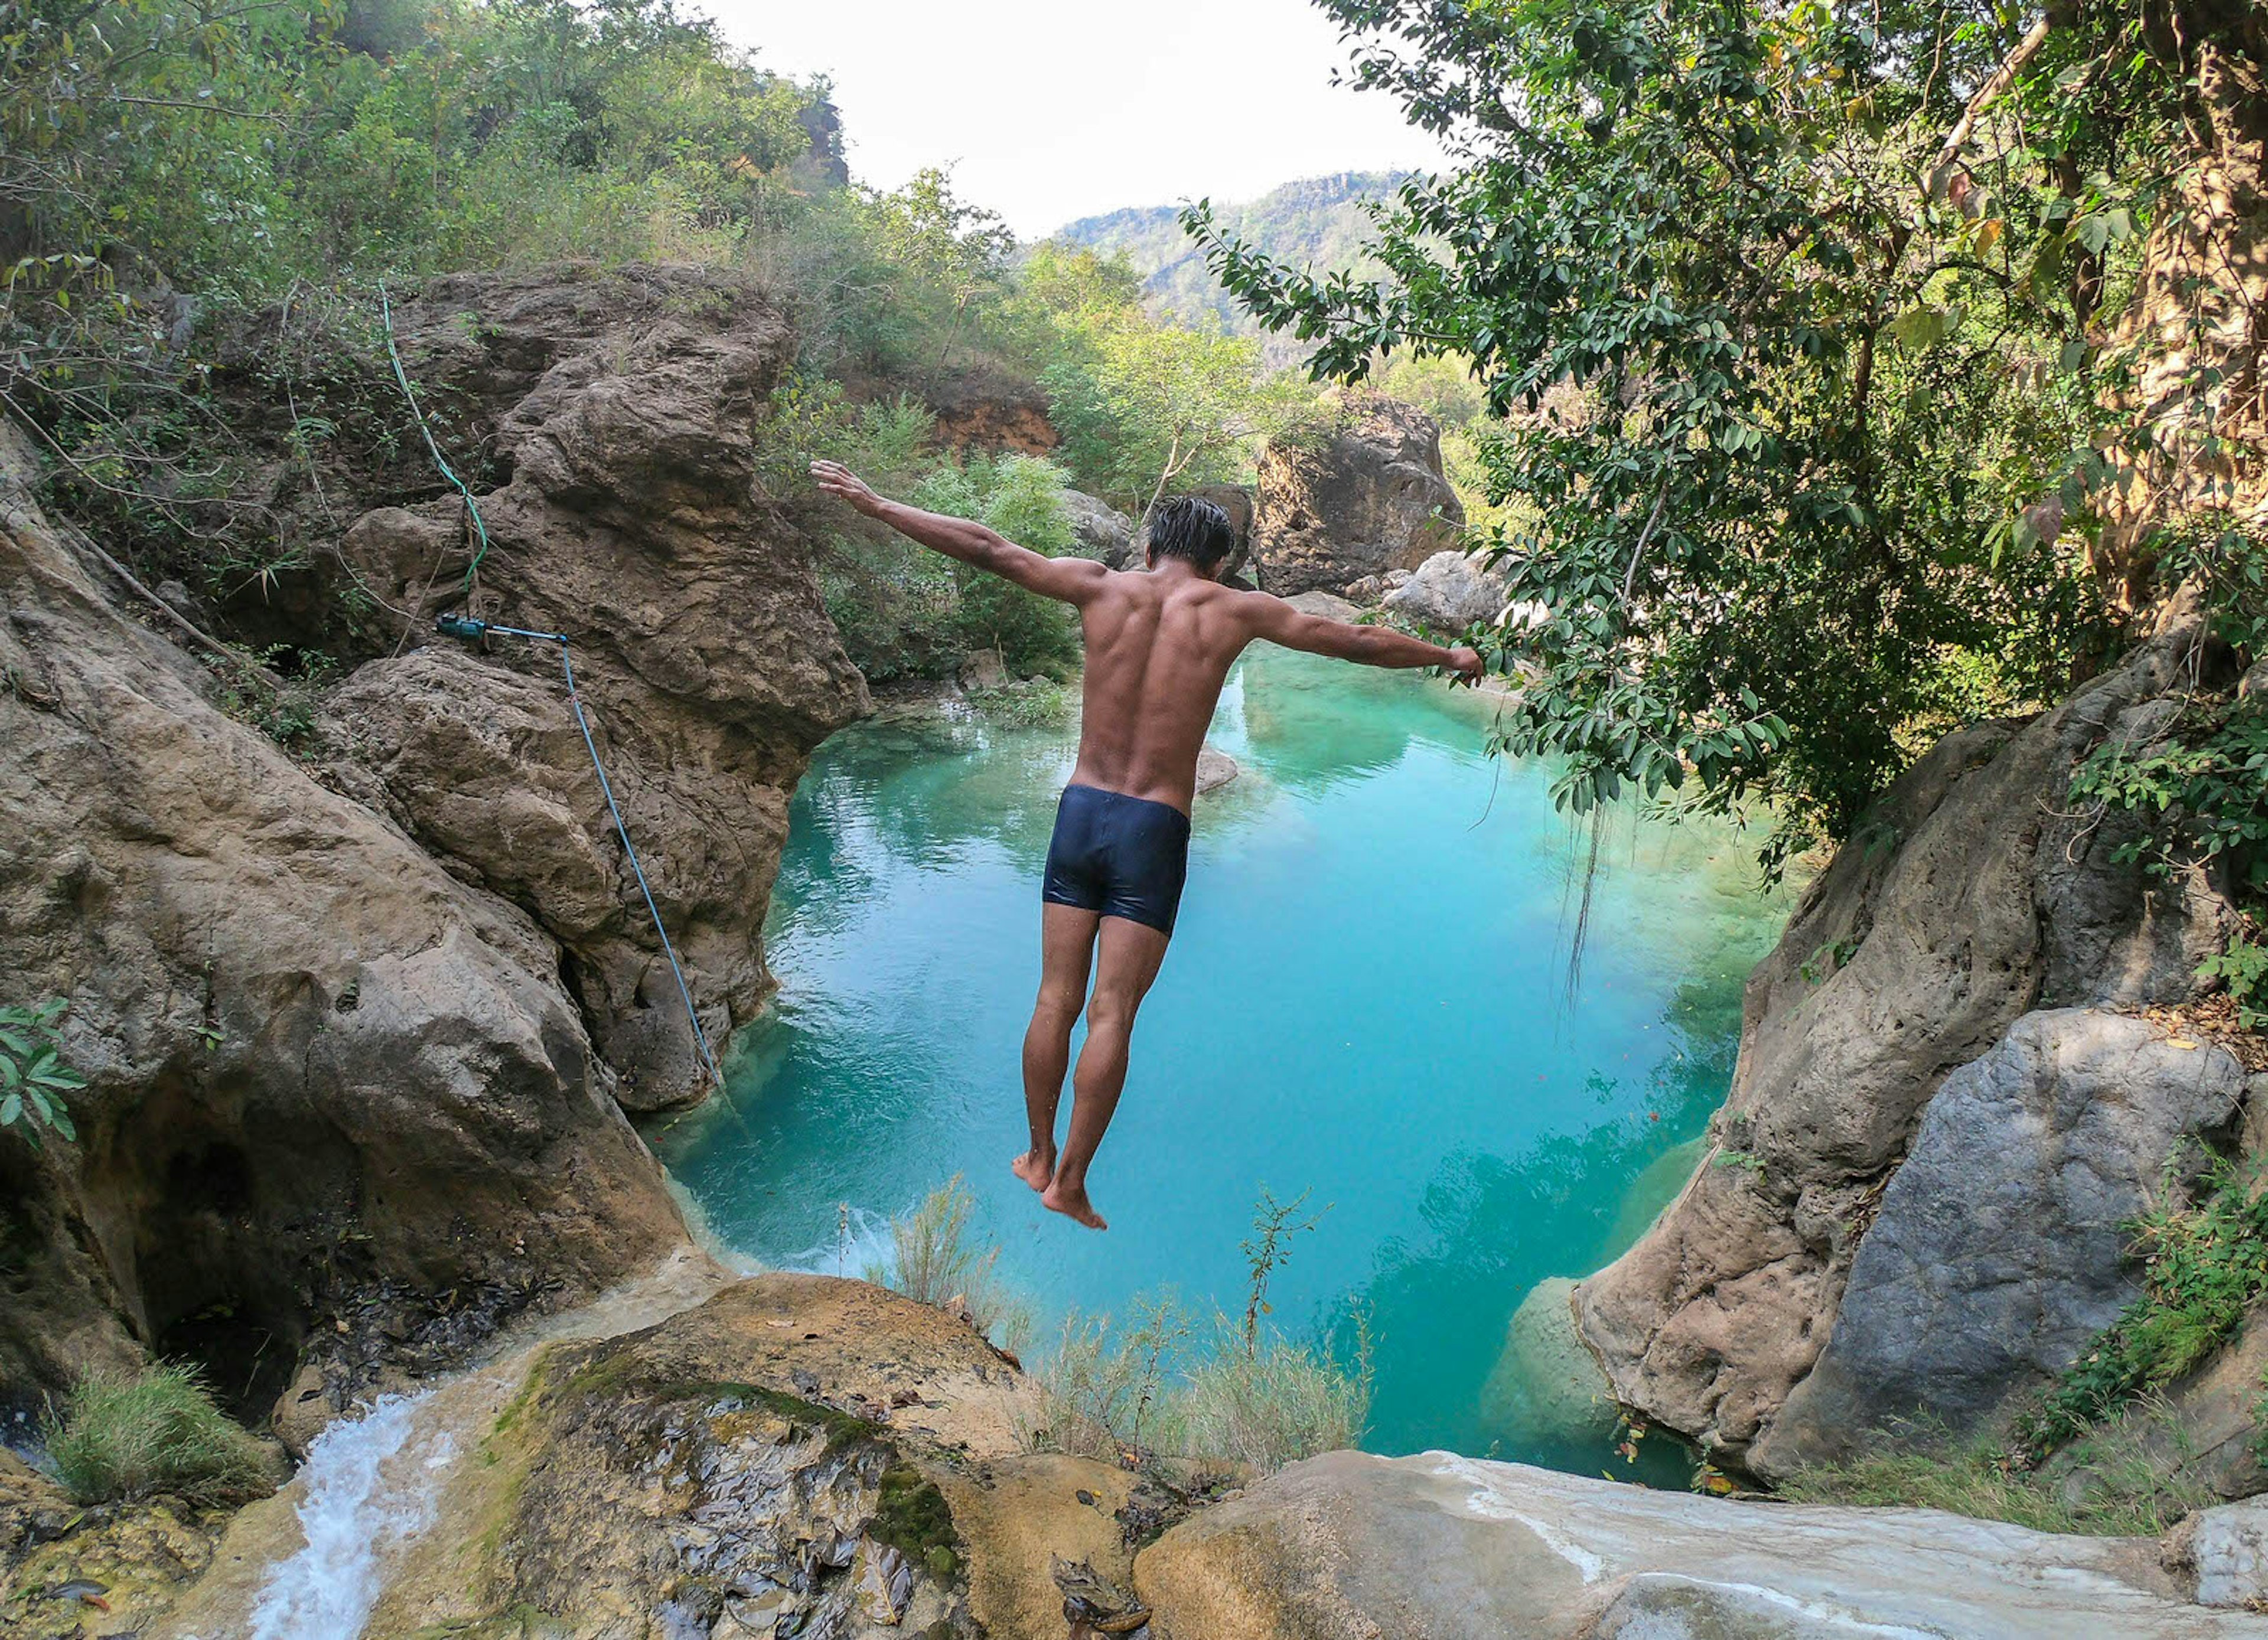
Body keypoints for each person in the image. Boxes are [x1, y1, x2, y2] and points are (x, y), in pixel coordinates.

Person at [810, 461, 1484, 1228]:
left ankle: (1036, 1153)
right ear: (1220, 559)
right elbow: (1353, 638)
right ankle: (1070, 1181)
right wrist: (1445, 655)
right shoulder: (1236, 610)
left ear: (1152, 542)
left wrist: (877, 500)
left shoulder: (1102, 587)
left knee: (1053, 999)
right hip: (1153, 828)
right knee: (1112, 1013)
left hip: (1082, 811)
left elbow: (988, 548)